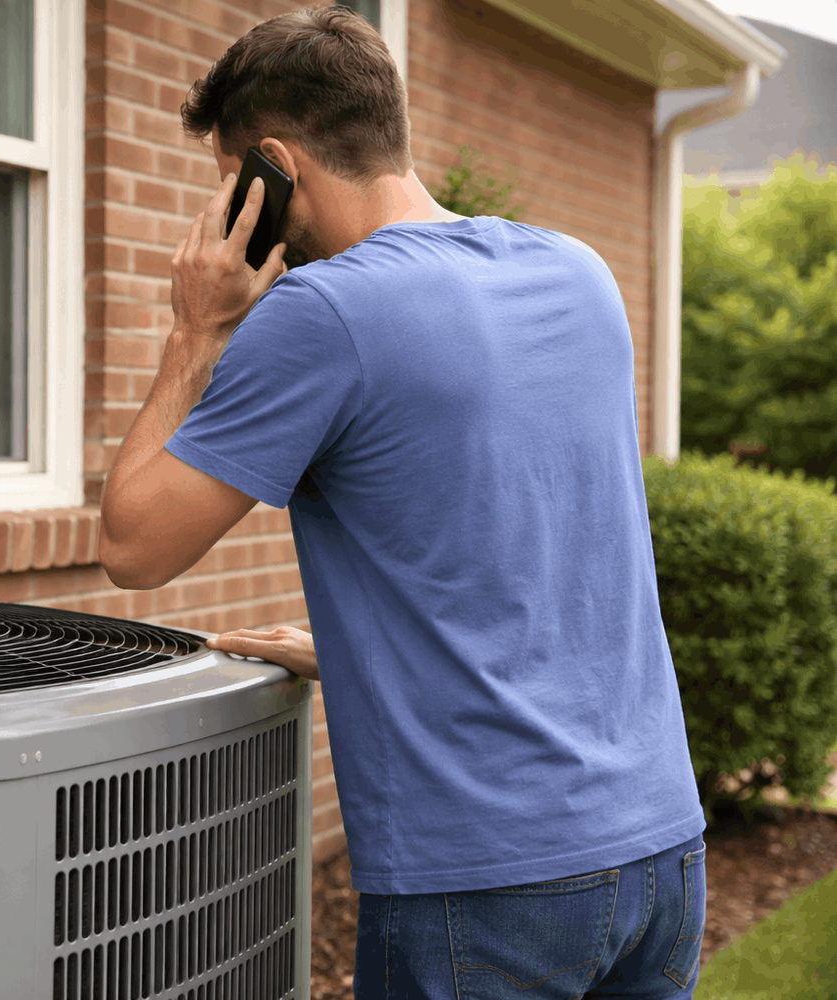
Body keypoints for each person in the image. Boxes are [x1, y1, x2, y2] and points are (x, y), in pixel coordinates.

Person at [96, 7, 707, 998]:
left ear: (274, 170)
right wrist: (358, 646)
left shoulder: (322, 314)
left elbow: (132, 543)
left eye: (231, 183)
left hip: (487, 884)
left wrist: (196, 329)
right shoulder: (581, 275)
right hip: (659, 851)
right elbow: (525, 540)